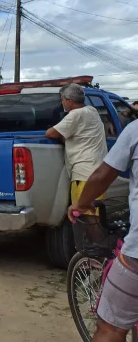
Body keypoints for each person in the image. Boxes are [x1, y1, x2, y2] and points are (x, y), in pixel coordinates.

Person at [67, 120, 138, 341]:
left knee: (111, 329)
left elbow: (101, 176)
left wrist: (81, 204)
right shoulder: (92, 117)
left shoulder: (135, 130)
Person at [46, 83, 108, 220]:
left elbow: (50, 133)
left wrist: (63, 137)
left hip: (83, 176)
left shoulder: (75, 115)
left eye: (62, 100)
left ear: (69, 101)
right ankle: (98, 241)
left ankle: (93, 242)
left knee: (86, 219)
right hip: (97, 172)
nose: (62, 103)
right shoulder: (91, 110)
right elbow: (78, 133)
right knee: (95, 216)